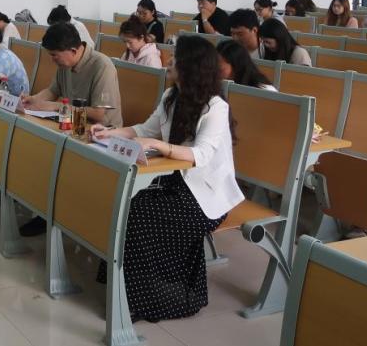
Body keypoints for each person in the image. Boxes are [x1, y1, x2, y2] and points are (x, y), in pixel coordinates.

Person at [91, 36, 243, 321]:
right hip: (174, 182)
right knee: (123, 203)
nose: (169, 61)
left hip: (204, 196)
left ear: (191, 66)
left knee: (139, 214)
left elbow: (200, 155)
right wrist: (109, 133)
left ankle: (151, 299)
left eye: (176, 57)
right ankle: (125, 288)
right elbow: (145, 129)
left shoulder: (215, 107)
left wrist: (160, 146)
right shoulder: (172, 96)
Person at [19, 22, 122, 236]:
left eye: (54, 55)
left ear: (74, 50)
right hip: (72, 127)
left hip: (100, 135)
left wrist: (56, 107)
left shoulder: (102, 66)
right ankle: (44, 210)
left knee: (52, 159)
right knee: (34, 150)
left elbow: (98, 114)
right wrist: (32, 100)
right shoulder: (65, 65)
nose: (53, 60)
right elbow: (52, 91)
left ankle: (58, 216)